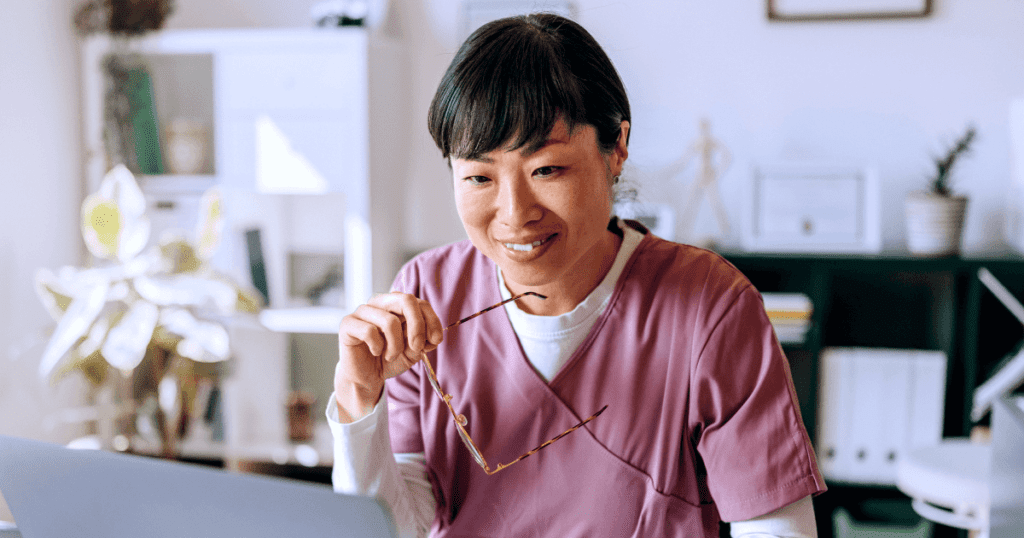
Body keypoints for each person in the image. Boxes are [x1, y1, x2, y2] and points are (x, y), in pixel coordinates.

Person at [328, 13, 826, 538]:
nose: (514, 213)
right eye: (479, 177)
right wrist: (360, 397)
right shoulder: (427, 295)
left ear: (617, 148)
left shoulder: (708, 305)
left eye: (547, 169)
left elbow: (774, 528)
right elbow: (395, 526)